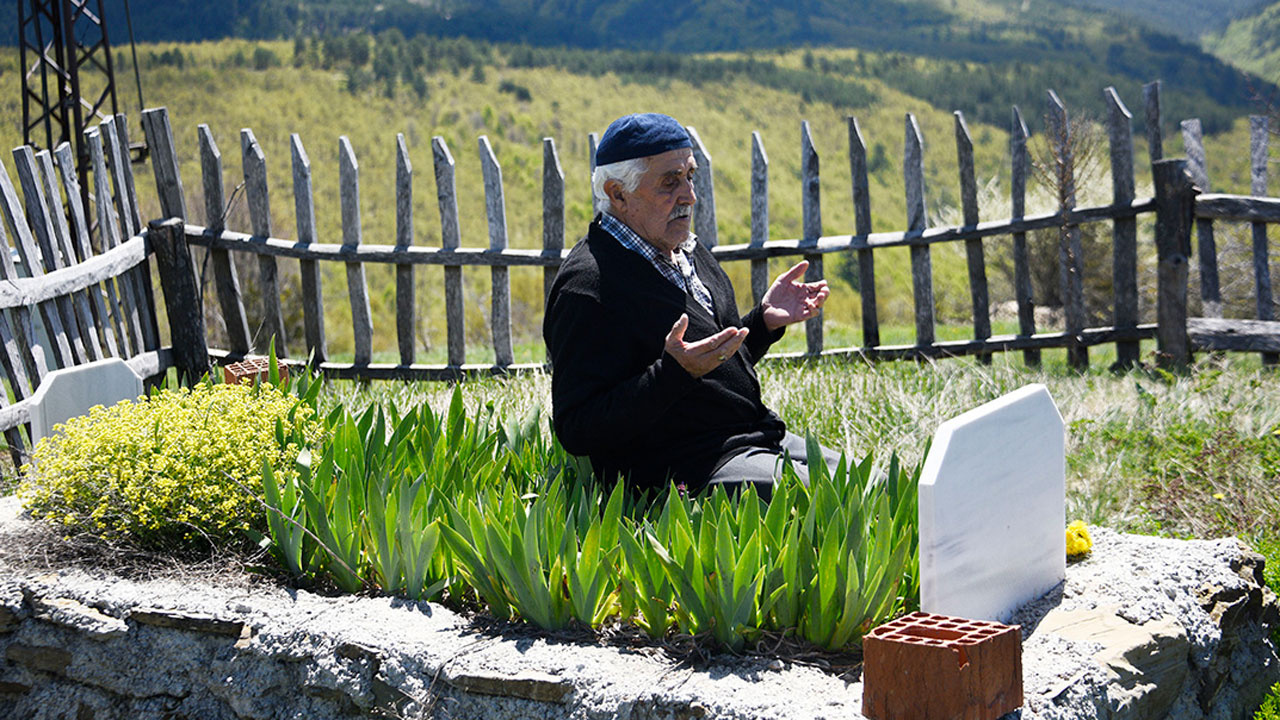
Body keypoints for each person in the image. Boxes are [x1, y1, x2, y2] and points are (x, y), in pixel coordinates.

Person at [543, 112, 835, 499]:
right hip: (684, 468)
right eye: (670, 182)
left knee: (876, 484)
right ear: (617, 193)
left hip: (753, 438)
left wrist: (763, 323)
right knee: (833, 501)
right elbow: (578, 427)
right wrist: (672, 374)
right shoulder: (589, 285)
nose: (690, 195)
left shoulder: (686, 252)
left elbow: (710, 368)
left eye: (690, 177)